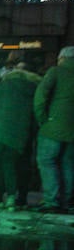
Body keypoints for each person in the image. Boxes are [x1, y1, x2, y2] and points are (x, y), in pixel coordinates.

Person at [0, 56, 41, 209]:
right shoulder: (34, 88)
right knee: (11, 165)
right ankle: (11, 198)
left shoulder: (4, 85)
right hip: (20, 134)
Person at [34, 45, 74, 213]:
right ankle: (68, 201)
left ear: (62, 58)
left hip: (54, 126)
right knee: (68, 164)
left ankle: (52, 201)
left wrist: (43, 119)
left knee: (47, 161)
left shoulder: (56, 72)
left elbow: (41, 96)